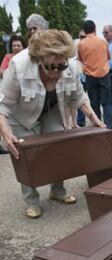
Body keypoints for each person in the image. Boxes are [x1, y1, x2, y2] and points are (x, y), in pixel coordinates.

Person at [0, 30, 105, 218]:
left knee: (58, 148)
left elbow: (78, 96)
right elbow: (3, 106)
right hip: (21, 115)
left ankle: (57, 191)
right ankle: (31, 200)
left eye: (61, 66)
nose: (57, 72)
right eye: (51, 67)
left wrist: (94, 119)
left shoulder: (70, 66)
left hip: (52, 109)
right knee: (25, 154)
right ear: (38, 60)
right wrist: (6, 134)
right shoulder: (19, 66)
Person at [78, 20, 112, 129]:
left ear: (84, 30)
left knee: (94, 103)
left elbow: (81, 59)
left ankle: (98, 128)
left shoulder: (81, 44)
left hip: (90, 76)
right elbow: (108, 57)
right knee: (107, 102)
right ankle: (109, 128)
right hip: (104, 75)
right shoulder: (102, 42)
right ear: (95, 29)